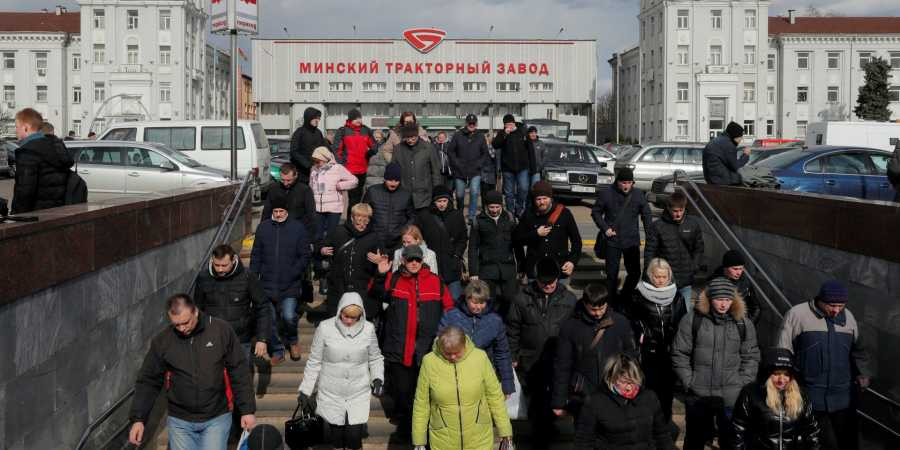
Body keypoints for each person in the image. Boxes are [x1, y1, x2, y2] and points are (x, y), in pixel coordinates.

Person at [128, 294, 256, 449]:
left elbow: (239, 371)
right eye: (176, 325)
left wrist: (247, 410)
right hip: (180, 420)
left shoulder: (220, 330)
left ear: (195, 311)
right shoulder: (163, 341)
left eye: (185, 322)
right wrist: (138, 419)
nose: (182, 328)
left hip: (216, 416)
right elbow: (148, 380)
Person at [372, 244, 454, 440]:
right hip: (399, 347)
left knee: (424, 392)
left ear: (422, 260)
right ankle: (406, 429)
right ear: (403, 260)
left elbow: (449, 309)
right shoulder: (394, 279)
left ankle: (423, 430)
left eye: (417, 259)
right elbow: (375, 295)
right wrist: (380, 275)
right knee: (403, 392)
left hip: (427, 349)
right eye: (410, 259)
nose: (414, 263)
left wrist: (443, 335)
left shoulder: (436, 281)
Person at [778, 280, 872, 450]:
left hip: (843, 398)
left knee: (849, 443)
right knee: (814, 444)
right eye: (832, 305)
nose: (836, 310)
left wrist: (863, 373)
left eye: (841, 306)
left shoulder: (849, 318)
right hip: (808, 397)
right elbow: (782, 352)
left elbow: (859, 350)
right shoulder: (797, 315)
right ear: (820, 300)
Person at [672, 277, 761, 450]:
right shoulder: (692, 320)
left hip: (731, 396)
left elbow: (751, 356)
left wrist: (742, 383)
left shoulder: (743, 323)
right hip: (699, 393)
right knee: (694, 440)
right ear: (710, 298)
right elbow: (679, 352)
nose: (723, 304)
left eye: (727, 299)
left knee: (731, 442)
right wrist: (689, 381)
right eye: (719, 299)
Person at [297, 293, 385, 450]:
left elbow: (375, 358)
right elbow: (314, 361)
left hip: (358, 392)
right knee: (336, 439)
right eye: (346, 316)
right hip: (331, 393)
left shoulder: (368, 329)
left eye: (354, 318)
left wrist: (377, 378)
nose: (349, 321)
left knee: (354, 437)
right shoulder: (325, 328)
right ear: (339, 312)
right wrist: (306, 390)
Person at [506, 257, 578, 446]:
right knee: (536, 399)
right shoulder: (521, 298)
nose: (548, 286)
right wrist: (513, 354)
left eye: (552, 282)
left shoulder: (569, 299)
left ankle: (548, 429)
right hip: (531, 358)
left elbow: (575, 329)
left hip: (558, 358)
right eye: (544, 282)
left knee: (553, 396)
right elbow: (512, 329)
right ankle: (539, 434)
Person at [411, 326, 513, 450]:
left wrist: (505, 431)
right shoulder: (429, 362)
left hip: (479, 438)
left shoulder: (480, 358)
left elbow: (495, 397)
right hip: (442, 440)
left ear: (465, 345)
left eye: (457, 352)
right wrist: (419, 441)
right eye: (448, 353)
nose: (453, 357)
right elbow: (421, 404)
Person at [552, 284, 638, 419]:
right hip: (583, 393)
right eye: (593, 309)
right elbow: (562, 365)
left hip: (614, 389)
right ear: (584, 304)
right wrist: (559, 401)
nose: (598, 313)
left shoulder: (620, 322)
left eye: (601, 308)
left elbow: (631, 357)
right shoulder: (570, 327)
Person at [625, 258, 687, 425]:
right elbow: (631, 320)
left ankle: (664, 426)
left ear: (669, 276)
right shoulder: (638, 295)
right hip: (647, 352)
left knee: (666, 393)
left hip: (669, 352)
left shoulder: (677, 296)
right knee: (647, 391)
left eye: (664, 277)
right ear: (650, 275)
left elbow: (683, 322)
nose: (660, 280)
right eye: (657, 276)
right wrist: (641, 334)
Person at [250, 195, 312, 361]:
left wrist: (293, 272)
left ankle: (293, 341)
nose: (278, 214)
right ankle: (277, 349)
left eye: (281, 211)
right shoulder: (263, 228)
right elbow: (256, 255)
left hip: (290, 283)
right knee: (269, 320)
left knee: (289, 316)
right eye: (275, 211)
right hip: (266, 283)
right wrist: (253, 277)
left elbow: (305, 256)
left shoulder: (298, 228)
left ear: (287, 211)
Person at [573, 353, 675, 450]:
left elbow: (662, 436)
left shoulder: (649, 398)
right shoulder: (595, 402)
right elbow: (583, 442)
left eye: (633, 381)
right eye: (624, 382)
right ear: (611, 378)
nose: (629, 387)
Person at [194, 244, 273, 363]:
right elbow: (197, 309)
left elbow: (263, 307)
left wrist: (262, 339)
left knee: (241, 373)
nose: (220, 269)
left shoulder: (247, 277)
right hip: (212, 338)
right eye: (216, 265)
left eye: (224, 265)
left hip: (241, 339)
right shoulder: (203, 278)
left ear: (234, 260)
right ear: (212, 260)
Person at [438, 280, 516, 396]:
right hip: (455, 372)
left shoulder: (495, 321)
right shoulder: (451, 316)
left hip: (484, 373)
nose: (478, 307)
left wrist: (507, 385)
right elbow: (439, 344)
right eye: (474, 302)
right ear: (466, 299)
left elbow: (502, 353)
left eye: (482, 302)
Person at [733, 348, 821, 450]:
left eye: (786, 374)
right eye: (776, 374)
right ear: (768, 373)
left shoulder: (802, 395)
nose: (781, 380)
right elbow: (738, 429)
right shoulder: (751, 393)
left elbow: (812, 431)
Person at [591, 168, 652, 306]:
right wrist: (605, 228)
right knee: (612, 275)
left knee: (635, 273)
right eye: (624, 182)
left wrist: (650, 234)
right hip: (613, 240)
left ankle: (624, 297)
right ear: (617, 181)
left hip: (631, 241)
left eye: (629, 183)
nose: (626, 186)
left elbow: (647, 214)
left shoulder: (638, 194)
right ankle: (611, 303)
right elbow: (596, 212)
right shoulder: (607, 193)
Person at [316, 203, 383, 319]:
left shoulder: (374, 237)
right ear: (352, 217)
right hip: (338, 286)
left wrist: (379, 261)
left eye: (366, 219)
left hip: (362, 288)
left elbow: (383, 261)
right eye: (359, 218)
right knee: (337, 318)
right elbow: (319, 246)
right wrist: (322, 250)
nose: (362, 222)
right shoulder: (339, 232)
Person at [643, 191, 704, 309]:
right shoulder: (658, 226)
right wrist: (649, 273)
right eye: (675, 211)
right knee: (665, 313)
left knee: (685, 313)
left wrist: (694, 266)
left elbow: (699, 248)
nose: (678, 214)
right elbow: (650, 251)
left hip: (686, 278)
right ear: (668, 208)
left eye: (681, 210)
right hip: (665, 279)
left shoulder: (692, 224)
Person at [514, 181, 582, 284]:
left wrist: (572, 261)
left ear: (551, 198)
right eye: (538, 199)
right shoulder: (528, 214)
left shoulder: (564, 213)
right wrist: (535, 234)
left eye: (545, 198)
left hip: (559, 270)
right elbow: (517, 240)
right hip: (535, 271)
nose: (542, 202)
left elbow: (577, 242)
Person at [10, 108, 74, 214]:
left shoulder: (28, 152)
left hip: (35, 215)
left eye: (17, 127)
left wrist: (16, 215)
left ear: (26, 127)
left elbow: (25, 192)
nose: (16, 130)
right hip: (57, 213)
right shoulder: (55, 147)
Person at [468, 190, 520, 317]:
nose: (495, 210)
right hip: (487, 269)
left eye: (497, 207)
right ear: (486, 206)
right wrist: (473, 272)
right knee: (489, 301)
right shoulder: (478, 221)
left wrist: (521, 267)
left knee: (510, 299)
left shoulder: (509, 219)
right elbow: (473, 248)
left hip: (508, 268)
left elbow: (517, 244)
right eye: (492, 207)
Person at [416, 185, 468, 299]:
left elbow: (463, 238)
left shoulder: (457, 215)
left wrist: (457, 255)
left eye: (445, 201)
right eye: (439, 201)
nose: (442, 204)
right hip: (431, 265)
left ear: (449, 201)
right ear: (433, 202)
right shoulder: (425, 216)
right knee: (433, 300)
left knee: (454, 300)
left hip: (452, 265)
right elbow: (417, 237)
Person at [309, 146, 358, 246]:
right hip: (318, 207)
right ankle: (318, 254)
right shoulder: (314, 169)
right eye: (314, 161)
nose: (316, 164)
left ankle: (331, 254)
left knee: (331, 235)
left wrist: (341, 185)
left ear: (325, 159)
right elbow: (311, 185)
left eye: (318, 161)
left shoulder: (337, 168)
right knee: (317, 235)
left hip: (334, 208)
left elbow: (354, 181)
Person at [362, 161, 415, 253]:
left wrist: (401, 231)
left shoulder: (406, 195)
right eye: (390, 180)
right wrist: (370, 230)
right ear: (385, 178)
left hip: (397, 241)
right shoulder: (372, 191)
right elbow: (363, 212)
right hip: (375, 239)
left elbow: (412, 217)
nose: (393, 183)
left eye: (396, 180)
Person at [447, 114, 490, 220]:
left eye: (473, 123)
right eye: (470, 123)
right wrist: (457, 163)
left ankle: (471, 216)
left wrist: (479, 164)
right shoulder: (458, 135)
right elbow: (450, 151)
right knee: (459, 195)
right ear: (466, 123)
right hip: (460, 171)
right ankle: (460, 213)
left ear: (476, 124)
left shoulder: (480, 136)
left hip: (475, 171)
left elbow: (485, 153)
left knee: (474, 192)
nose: (471, 125)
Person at [333, 109, 376, 212]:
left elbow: (374, 146)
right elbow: (337, 150)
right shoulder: (343, 131)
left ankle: (357, 217)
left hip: (363, 169)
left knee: (360, 197)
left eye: (360, 118)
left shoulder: (366, 130)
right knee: (353, 199)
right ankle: (351, 219)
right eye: (356, 118)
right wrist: (342, 165)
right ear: (350, 119)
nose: (358, 120)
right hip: (350, 170)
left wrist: (370, 153)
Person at [261, 162, 318, 241]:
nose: (285, 183)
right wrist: (263, 231)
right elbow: (266, 211)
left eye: (289, 180)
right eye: (282, 180)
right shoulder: (274, 188)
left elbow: (311, 214)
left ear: (295, 175)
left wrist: (310, 238)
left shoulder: (305, 190)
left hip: (298, 232)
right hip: (278, 231)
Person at [392, 123, 442, 210]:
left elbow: (436, 171)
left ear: (417, 135)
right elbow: (393, 170)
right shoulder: (398, 149)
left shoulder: (428, 148)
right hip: (404, 194)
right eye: (407, 138)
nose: (410, 140)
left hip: (425, 195)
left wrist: (437, 191)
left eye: (413, 137)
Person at [492, 114, 530, 217]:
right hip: (508, 168)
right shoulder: (502, 133)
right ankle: (510, 212)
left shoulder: (522, 131)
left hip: (522, 167)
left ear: (514, 123)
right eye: (507, 124)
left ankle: (519, 208)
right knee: (509, 193)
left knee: (523, 189)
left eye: (511, 124)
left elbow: (529, 146)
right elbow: (495, 144)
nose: (509, 126)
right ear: (504, 125)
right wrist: (504, 134)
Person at [712, 249, 761, 324]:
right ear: (725, 268)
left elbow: (756, 307)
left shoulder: (746, 283)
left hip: (740, 326)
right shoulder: (714, 282)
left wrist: (748, 325)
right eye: (735, 269)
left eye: (741, 268)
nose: (739, 272)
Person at [703, 121, 751, 186]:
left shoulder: (717, 140)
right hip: (721, 181)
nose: (741, 139)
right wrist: (746, 155)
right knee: (746, 183)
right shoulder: (728, 145)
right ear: (735, 135)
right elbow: (735, 166)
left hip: (712, 179)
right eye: (741, 136)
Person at [289, 107, 328, 183]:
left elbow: (325, 148)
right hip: (302, 173)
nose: (317, 120)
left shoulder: (318, 133)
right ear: (308, 118)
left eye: (318, 118)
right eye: (315, 118)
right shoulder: (299, 132)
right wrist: (308, 165)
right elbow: (294, 152)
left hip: (317, 171)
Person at [480, 132, 499, 212]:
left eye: (488, 138)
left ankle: (490, 208)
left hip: (492, 174)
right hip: (483, 174)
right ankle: (484, 209)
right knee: (484, 193)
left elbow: (493, 155)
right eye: (485, 138)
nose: (487, 139)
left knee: (491, 193)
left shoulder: (493, 147)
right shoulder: (481, 148)